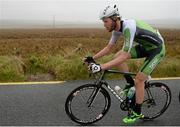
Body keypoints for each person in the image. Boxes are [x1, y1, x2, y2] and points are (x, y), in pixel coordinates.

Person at [83, 4, 165, 124]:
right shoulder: (117, 30)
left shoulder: (128, 27)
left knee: (139, 80)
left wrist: (101, 66)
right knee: (117, 55)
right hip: (145, 47)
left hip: (157, 49)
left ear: (115, 19)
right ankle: (130, 84)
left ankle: (137, 111)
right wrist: (92, 58)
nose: (104, 24)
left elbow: (125, 56)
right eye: (103, 21)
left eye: (105, 21)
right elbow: (109, 48)